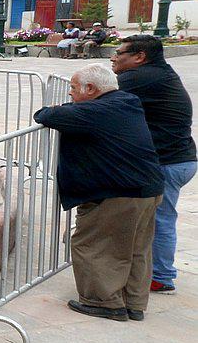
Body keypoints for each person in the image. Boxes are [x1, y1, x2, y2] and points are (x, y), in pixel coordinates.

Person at [33, 64, 164, 321]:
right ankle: (134, 303)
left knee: (93, 245)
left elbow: (45, 115)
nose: (69, 94)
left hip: (118, 193)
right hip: (147, 188)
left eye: (72, 88)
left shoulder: (95, 111)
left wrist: (60, 110)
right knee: (137, 248)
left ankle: (103, 302)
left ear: (90, 89)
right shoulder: (127, 101)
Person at [111, 35, 196, 294]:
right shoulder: (157, 73)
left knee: (160, 220)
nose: (113, 57)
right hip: (178, 159)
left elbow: (101, 102)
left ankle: (160, 276)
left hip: (168, 163)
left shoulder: (139, 77)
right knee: (155, 218)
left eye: (120, 53)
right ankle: (151, 270)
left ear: (139, 57)